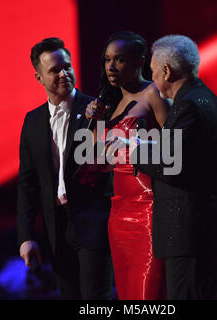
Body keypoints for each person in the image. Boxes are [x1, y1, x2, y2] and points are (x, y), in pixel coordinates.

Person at [135, 35, 217, 299]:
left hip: (192, 235)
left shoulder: (188, 106)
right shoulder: (208, 100)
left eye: (152, 71)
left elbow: (170, 165)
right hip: (207, 233)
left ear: (167, 71)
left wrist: (135, 150)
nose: (151, 77)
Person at [17, 37, 113, 300]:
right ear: (38, 77)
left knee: (97, 300)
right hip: (56, 230)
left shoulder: (97, 110)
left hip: (93, 221)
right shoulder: (32, 121)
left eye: (67, 66)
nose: (63, 74)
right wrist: (26, 237)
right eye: (54, 70)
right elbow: (27, 183)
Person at [85, 31, 170, 299]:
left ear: (139, 62)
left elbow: (177, 150)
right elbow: (97, 161)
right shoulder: (108, 105)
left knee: (149, 294)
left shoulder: (154, 93)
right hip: (117, 213)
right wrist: (97, 122)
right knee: (127, 294)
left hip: (149, 209)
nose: (111, 66)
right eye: (107, 60)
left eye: (119, 59)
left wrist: (139, 147)